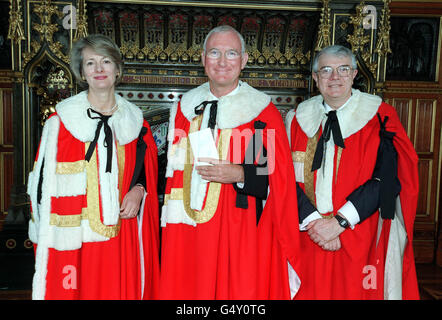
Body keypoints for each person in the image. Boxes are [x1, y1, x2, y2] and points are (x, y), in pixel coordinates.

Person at [159, 25, 301, 299]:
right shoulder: (184, 108)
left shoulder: (260, 111)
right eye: (215, 52)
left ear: (244, 60)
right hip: (189, 230)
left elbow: (277, 178)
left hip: (240, 228)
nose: (222, 62)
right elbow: (171, 175)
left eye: (231, 53)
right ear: (202, 58)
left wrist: (241, 173)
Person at [27, 34, 160, 299]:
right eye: (90, 63)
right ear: (82, 72)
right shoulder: (60, 124)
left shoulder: (136, 124)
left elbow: (148, 173)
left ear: (117, 69)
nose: (99, 69)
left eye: (106, 61)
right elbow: (41, 189)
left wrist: (139, 190)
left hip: (124, 233)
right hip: (77, 240)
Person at [285, 45, 419, 299]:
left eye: (343, 69)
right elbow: (283, 178)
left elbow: (390, 177)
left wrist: (340, 223)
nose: (335, 77)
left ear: (354, 74)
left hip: (361, 236)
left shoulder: (381, 117)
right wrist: (315, 223)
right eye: (326, 70)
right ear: (315, 77)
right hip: (308, 235)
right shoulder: (296, 119)